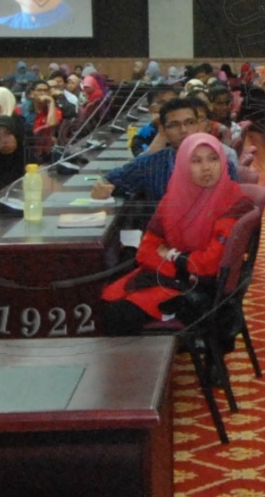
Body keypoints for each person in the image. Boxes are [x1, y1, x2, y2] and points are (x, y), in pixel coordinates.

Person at [101, 132, 244, 336]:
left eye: (214, 159)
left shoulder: (234, 201)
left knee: (117, 315)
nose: (206, 167)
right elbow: (145, 252)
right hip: (168, 277)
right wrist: (178, 262)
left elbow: (208, 264)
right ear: (183, 166)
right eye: (196, 161)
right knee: (105, 301)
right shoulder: (173, 198)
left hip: (199, 287)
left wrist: (170, 255)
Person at [93, 96, 201, 207]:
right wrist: (101, 186)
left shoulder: (218, 157)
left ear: (199, 126)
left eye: (190, 122)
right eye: (174, 125)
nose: (183, 130)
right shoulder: (151, 164)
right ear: (163, 131)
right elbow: (109, 180)